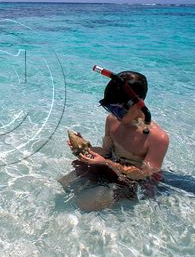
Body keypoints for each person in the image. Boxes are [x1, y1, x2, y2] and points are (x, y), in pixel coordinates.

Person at [68, 68, 169, 211]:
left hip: (134, 182)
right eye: (110, 108)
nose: (115, 114)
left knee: (83, 205)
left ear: (139, 103)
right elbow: (106, 151)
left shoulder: (157, 138)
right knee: (67, 185)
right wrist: (86, 148)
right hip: (111, 166)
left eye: (118, 109)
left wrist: (106, 162)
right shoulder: (112, 120)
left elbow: (143, 174)